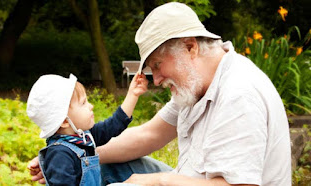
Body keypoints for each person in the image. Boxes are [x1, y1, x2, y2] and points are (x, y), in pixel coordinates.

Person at [29, 2, 292, 186]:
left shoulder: (238, 94)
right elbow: (149, 134)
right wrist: (68, 152)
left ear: (190, 48)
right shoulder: (195, 85)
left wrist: (157, 181)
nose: (156, 78)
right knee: (100, 168)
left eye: (157, 65)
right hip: (186, 178)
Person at [26, 73, 148, 185]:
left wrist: (133, 94)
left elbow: (113, 125)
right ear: (64, 121)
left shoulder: (84, 137)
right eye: (83, 103)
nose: (91, 106)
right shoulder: (60, 155)